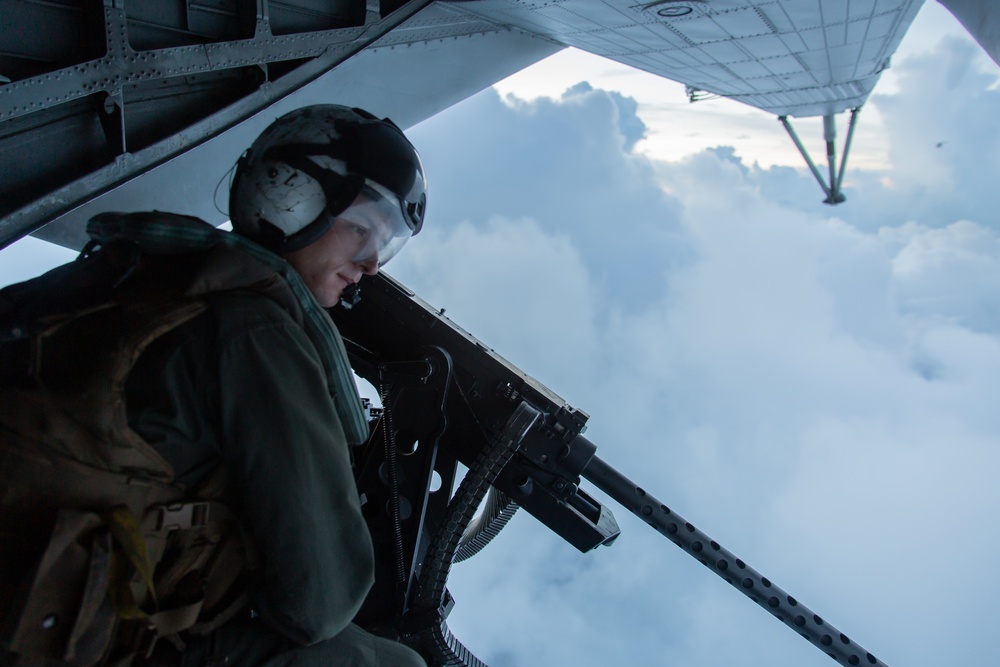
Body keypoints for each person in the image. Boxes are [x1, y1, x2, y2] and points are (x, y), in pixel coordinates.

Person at [0, 105, 428, 666]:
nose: (371, 264)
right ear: (294, 198)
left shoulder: (135, 265)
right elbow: (318, 601)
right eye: (361, 230)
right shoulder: (257, 326)